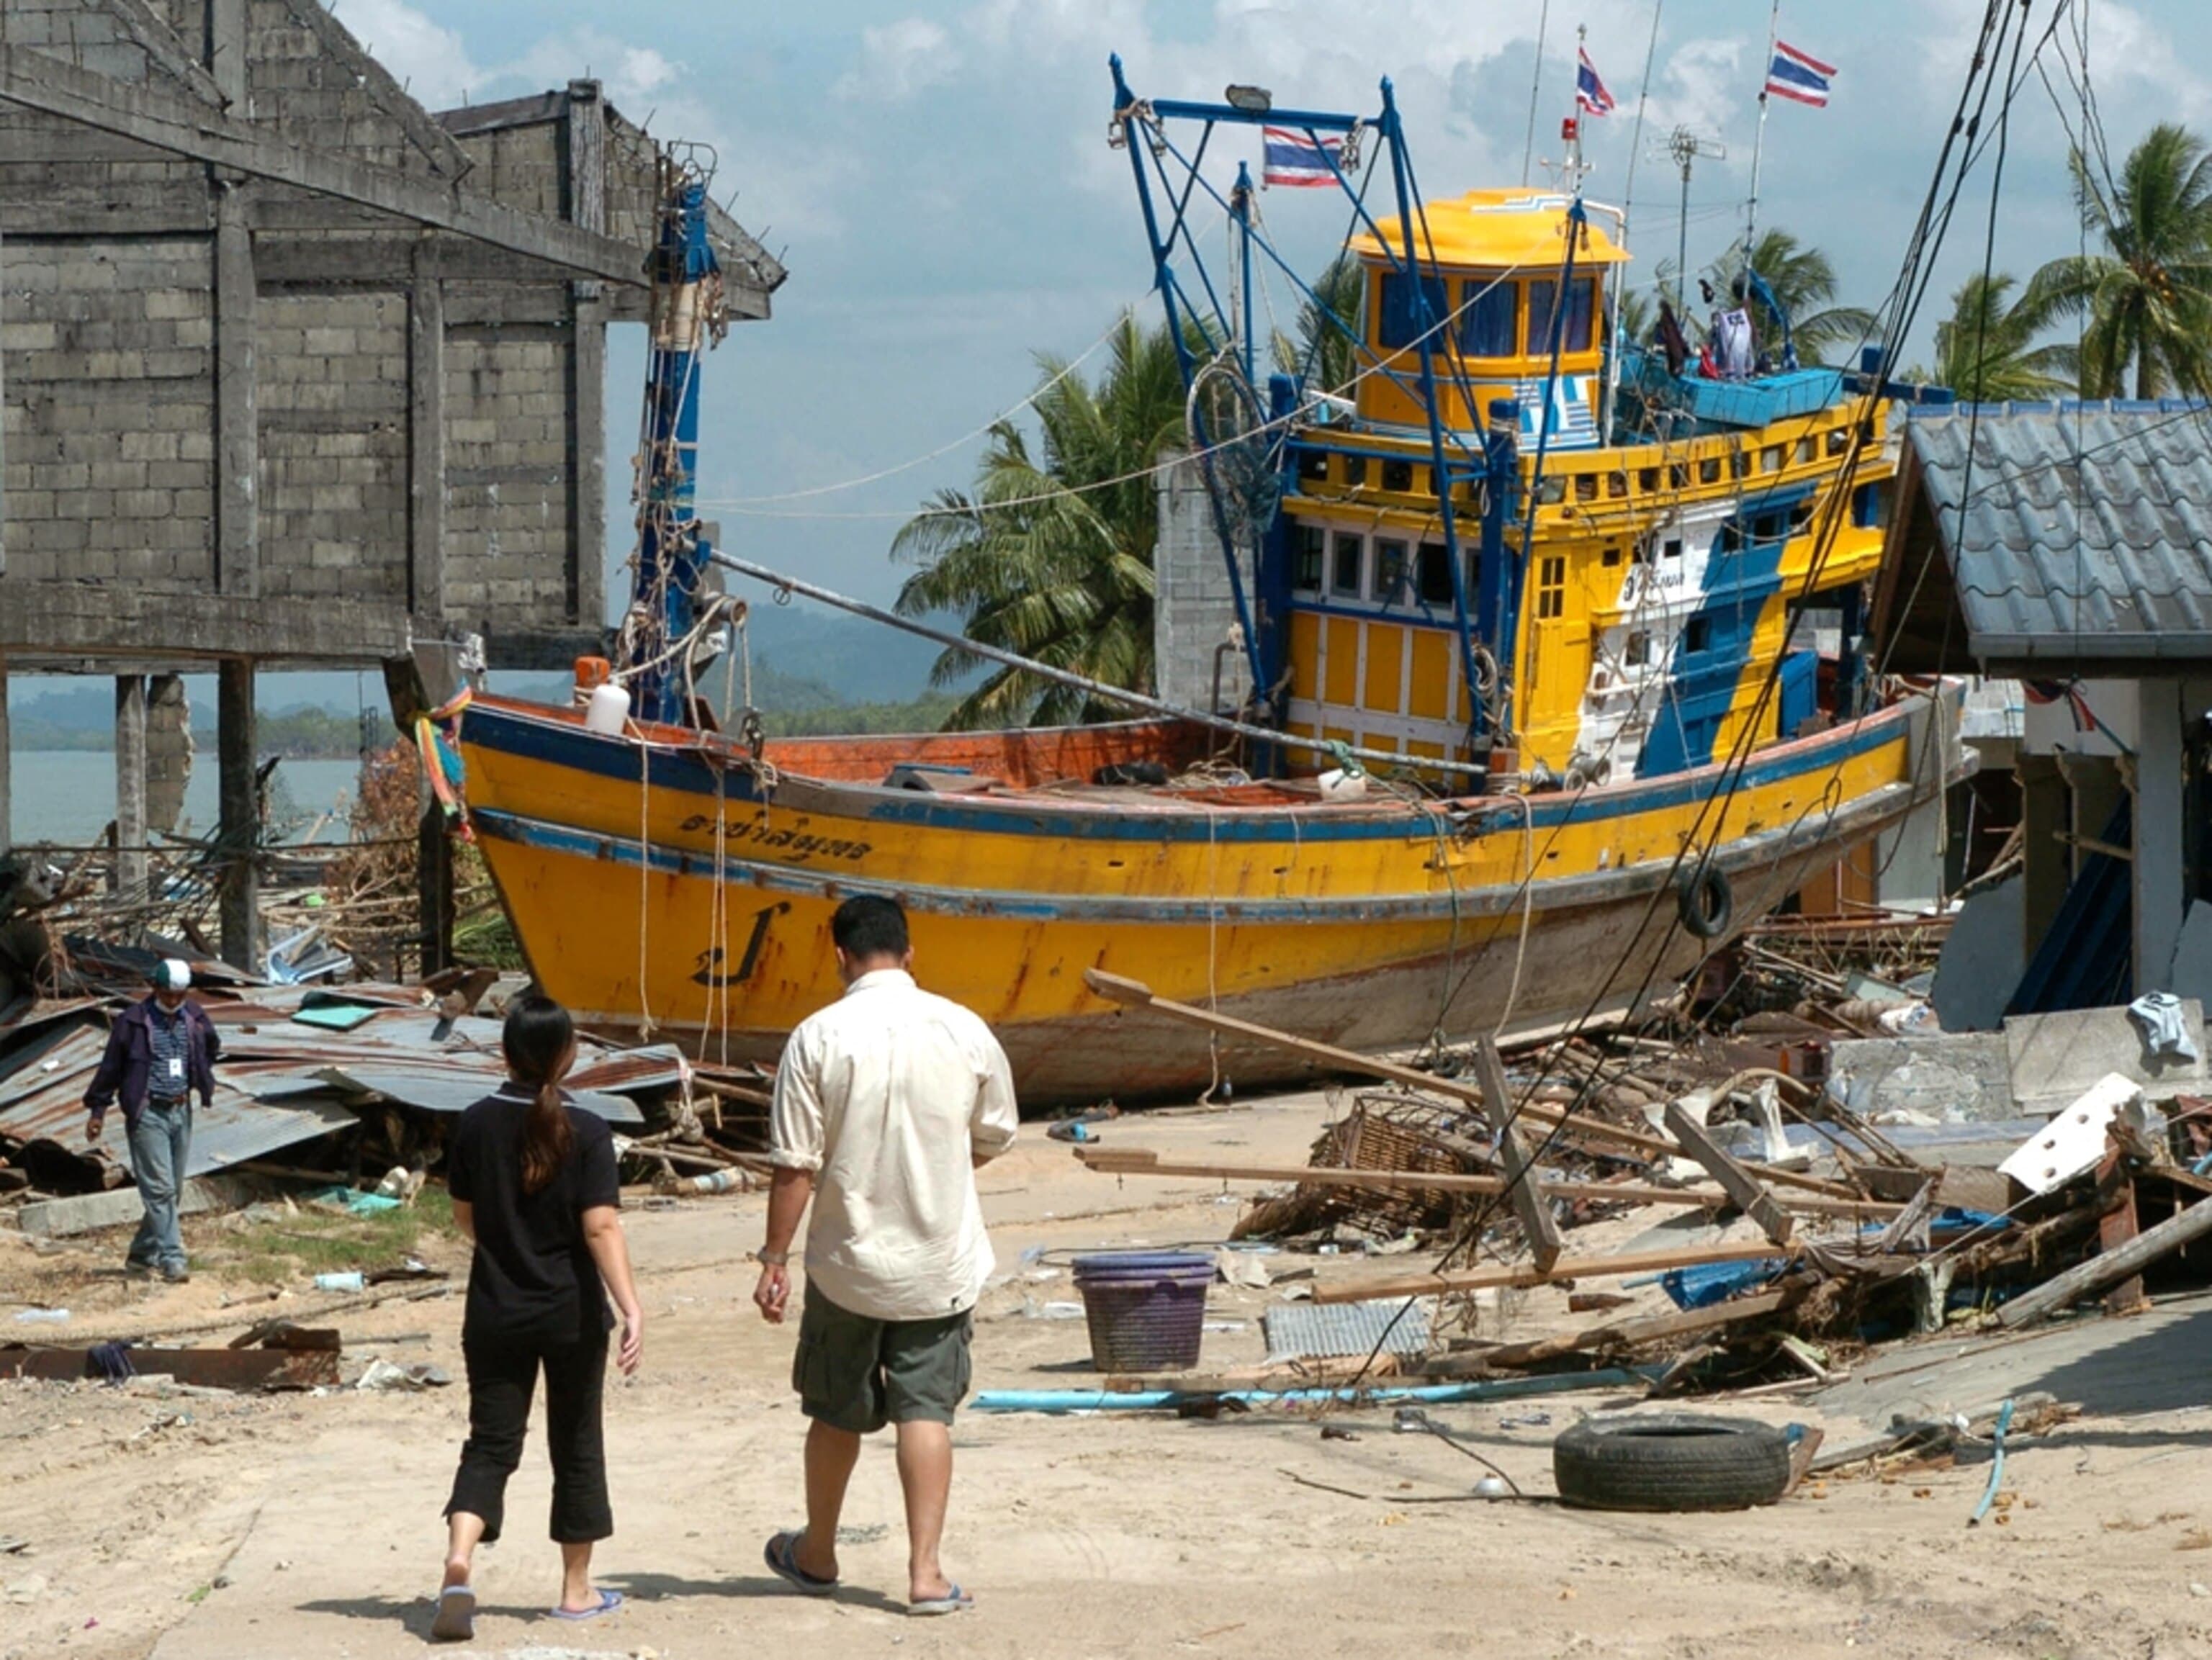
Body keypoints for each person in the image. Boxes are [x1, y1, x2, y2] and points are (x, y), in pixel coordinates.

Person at [754, 893, 1017, 1618]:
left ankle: (817, 1553)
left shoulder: (817, 1036)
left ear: (838, 954)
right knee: (926, 1409)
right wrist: (937, 1173)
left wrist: (773, 1257)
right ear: (909, 950)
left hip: (848, 1262)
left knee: (837, 1409)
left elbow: (794, 1166)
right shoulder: (963, 1027)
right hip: (941, 1260)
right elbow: (995, 1133)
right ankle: (927, 1573)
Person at [432, 994, 645, 1645]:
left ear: (505, 1053)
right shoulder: (588, 1127)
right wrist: (631, 1307)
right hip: (571, 1311)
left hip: (495, 1307)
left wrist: (504, 1250)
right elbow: (600, 1225)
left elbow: (465, 1218)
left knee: (491, 1441)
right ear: (568, 1054)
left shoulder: (473, 1122)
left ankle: (459, 1560)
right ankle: (576, 1593)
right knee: (575, 1442)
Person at [83, 959, 220, 1284]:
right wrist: (97, 1112)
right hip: (148, 1112)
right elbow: (111, 1068)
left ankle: (141, 1254)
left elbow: (211, 1048)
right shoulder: (133, 1022)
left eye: (179, 995)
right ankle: (173, 1258)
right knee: (159, 1191)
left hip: (180, 1110)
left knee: (173, 1190)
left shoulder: (195, 1018)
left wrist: (199, 1075)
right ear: (155, 988)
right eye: (167, 994)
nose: (173, 1001)